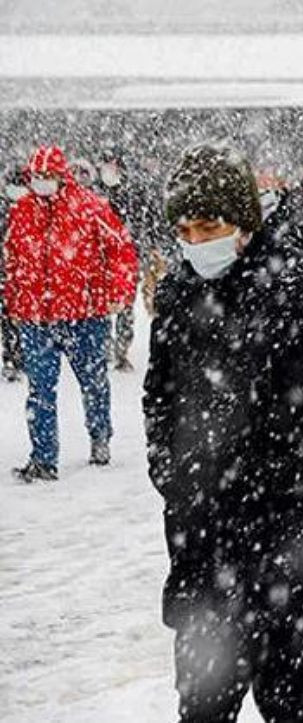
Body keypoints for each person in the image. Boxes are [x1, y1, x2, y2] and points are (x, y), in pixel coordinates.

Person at [144, 142, 303, 721]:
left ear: (245, 222)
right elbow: (160, 397)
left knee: (289, 697)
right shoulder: (178, 293)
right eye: (185, 230)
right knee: (203, 702)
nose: (196, 242)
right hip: (205, 535)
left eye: (210, 227)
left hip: (294, 529)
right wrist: (172, 471)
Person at [4, 145, 138, 482]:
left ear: (62, 176)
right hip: (37, 318)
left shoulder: (91, 207)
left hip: (85, 316)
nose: (41, 182)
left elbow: (122, 250)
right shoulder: (21, 212)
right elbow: (13, 261)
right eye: (36, 177)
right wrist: (14, 302)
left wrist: (118, 292)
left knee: (94, 383)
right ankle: (43, 459)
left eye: (47, 176)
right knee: (40, 391)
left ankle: (100, 436)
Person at [97, 148, 162, 371]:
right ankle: (104, 347)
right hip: (101, 258)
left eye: (112, 165)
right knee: (102, 305)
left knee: (126, 304)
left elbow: (149, 221)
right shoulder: (95, 193)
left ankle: (121, 350)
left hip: (128, 258)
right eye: (105, 165)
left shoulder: (136, 193)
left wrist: (148, 246)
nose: (107, 170)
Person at [2, 164, 28, 381]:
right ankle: (11, 356)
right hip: (7, 273)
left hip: (25, 274)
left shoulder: (30, 209)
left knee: (21, 316)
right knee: (7, 317)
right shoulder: (4, 209)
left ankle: (20, 355)